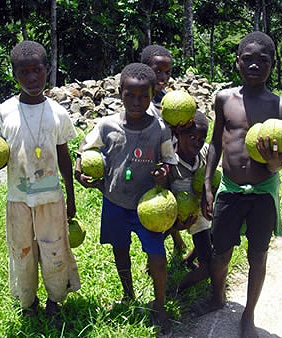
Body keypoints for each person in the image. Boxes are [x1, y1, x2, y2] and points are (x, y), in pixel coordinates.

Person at [0, 40, 80, 327]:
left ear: (48, 70)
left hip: (51, 200)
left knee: (55, 249)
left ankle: (55, 301)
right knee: (23, 252)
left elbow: (64, 156)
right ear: (14, 74)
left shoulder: (58, 112)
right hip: (18, 199)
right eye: (24, 72)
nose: (32, 78)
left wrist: (71, 197)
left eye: (37, 71)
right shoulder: (3, 114)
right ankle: (28, 302)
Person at [74, 62, 177, 335]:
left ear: (152, 93)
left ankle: (160, 305)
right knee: (120, 250)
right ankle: (128, 294)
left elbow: (169, 161)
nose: (136, 101)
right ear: (120, 93)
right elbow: (84, 149)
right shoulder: (107, 126)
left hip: (149, 207)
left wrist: (163, 174)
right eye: (130, 95)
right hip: (115, 201)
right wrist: (79, 170)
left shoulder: (160, 128)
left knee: (157, 254)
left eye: (144, 96)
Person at [201, 31, 282, 338]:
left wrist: (274, 162)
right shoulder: (225, 98)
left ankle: (248, 315)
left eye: (263, 60)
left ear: (273, 65)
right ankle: (217, 297)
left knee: (258, 256)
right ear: (237, 62)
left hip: (263, 193)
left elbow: (278, 163)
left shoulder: (280, 107)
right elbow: (215, 143)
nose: (255, 65)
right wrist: (207, 185)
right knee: (221, 253)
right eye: (248, 59)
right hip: (229, 189)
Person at [141, 44, 187, 253]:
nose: (163, 77)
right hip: (147, 160)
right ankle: (157, 251)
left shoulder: (169, 100)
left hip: (168, 158)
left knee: (168, 201)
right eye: (157, 71)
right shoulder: (139, 99)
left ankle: (176, 240)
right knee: (155, 204)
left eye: (167, 72)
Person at [167, 111, 213, 294]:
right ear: (178, 134)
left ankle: (188, 260)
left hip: (200, 211)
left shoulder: (205, 152)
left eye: (201, 138)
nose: (197, 142)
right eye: (192, 136)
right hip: (177, 212)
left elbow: (215, 152)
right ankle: (174, 290)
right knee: (157, 234)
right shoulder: (169, 161)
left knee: (208, 259)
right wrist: (174, 225)